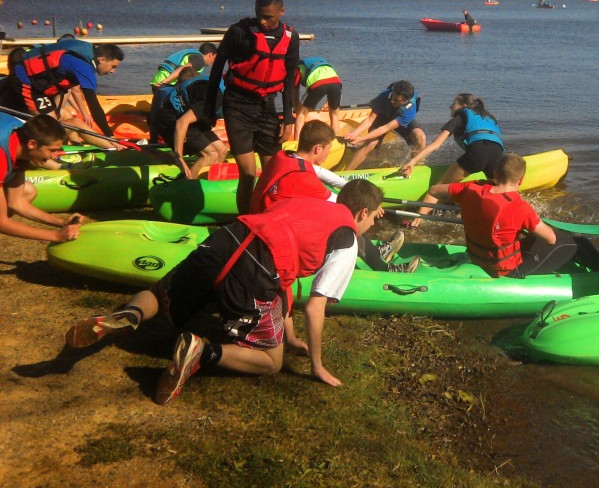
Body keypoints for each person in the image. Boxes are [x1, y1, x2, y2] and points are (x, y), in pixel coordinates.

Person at [64, 180, 385, 400]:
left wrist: (288, 333)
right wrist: (317, 364)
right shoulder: (347, 238)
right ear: (360, 213)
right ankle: (201, 352)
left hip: (228, 239)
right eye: (372, 219)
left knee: (163, 291)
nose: (371, 225)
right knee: (271, 361)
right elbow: (315, 308)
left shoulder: (306, 204)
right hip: (258, 270)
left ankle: (129, 313)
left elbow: (284, 288)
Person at [429, 152, 599, 278]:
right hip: (506, 270)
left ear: (494, 175)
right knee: (576, 242)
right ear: (520, 181)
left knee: (535, 236)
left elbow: (434, 191)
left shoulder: (471, 189)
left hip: (478, 257)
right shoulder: (520, 208)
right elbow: (550, 239)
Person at [252, 120, 418, 273]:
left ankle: (375, 252)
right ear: (318, 148)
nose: (329, 152)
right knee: (348, 221)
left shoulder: (286, 156)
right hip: (275, 237)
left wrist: (365, 192)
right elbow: (344, 205)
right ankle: (386, 269)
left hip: (270, 220)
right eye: (328, 148)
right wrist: (371, 204)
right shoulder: (304, 180)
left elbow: (322, 173)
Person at [202, 0, 300, 215]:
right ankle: (245, 222)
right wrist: (209, 108)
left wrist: (288, 118)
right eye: (260, 15)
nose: (263, 21)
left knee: (272, 174)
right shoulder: (238, 32)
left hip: (267, 108)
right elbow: (217, 68)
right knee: (247, 174)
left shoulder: (291, 38)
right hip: (237, 106)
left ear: (282, 12)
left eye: (269, 16)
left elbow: (289, 80)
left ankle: (269, 218)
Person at [399, 93, 504, 228]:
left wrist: (413, 161)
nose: (450, 107)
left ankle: (416, 222)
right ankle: (498, 220)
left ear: (463, 106)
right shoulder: (489, 118)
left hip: (477, 154)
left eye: (454, 103)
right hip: (498, 155)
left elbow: (436, 144)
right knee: (498, 190)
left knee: (436, 189)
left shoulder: (460, 117)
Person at [3, 38, 124, 148]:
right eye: (113, 66)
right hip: (25, 81)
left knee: (65, 114)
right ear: (101, 59)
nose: (113, 71)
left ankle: (76, 144)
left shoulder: (86, 49)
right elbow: (94, 105)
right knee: (52, 129)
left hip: (35, 82)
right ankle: (113, 146)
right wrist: (109, 135)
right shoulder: (83, 67)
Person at [0, 113, 83, 242]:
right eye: (52, 150)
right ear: (32, 144)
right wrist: (56, 236)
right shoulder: (1, 154)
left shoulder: (24, 138)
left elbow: (16, 203)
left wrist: (62, 222)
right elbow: (2, 222)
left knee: (28, 191)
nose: (55, 157)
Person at [148, 67, 227, 178]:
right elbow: (181, 122)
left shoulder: (225, 94)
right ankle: (190, 185)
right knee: (210, 154)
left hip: (191, 118)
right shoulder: (214, 98)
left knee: (222, 150)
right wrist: (178, 156)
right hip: (170, 120)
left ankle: (209, 182)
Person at [342, 80, 426, 171]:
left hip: (399, 120)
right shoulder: (384, 96)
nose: (392, 101)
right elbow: (370, 120)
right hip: (383, 117)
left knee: (420, 137)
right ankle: (346, 174)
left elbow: (386, 128)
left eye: (397, 100)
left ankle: (415, 167)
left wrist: (361, 138)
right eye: (392, 97)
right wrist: (354, 134)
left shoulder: (409, 111)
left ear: (406, 100)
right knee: (371, 144)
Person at [293, 56, 343, 137]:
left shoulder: (297, 69)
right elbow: (331, 82)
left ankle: (297, 143)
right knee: (335, 116)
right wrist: (327, 103)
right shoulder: (322, 63)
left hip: (319, 84)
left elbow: (295, 98)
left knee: (301, 115)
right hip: (336, 83)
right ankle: (335, 141)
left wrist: (299, 112)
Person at [149, 43, 218, 91]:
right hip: (165, 83)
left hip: (157, 80)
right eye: (214, 58)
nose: (213, 61)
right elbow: (183, 68)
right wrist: (165, 81)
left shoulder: (194, 54)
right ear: (210, 55)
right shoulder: (200, 61)